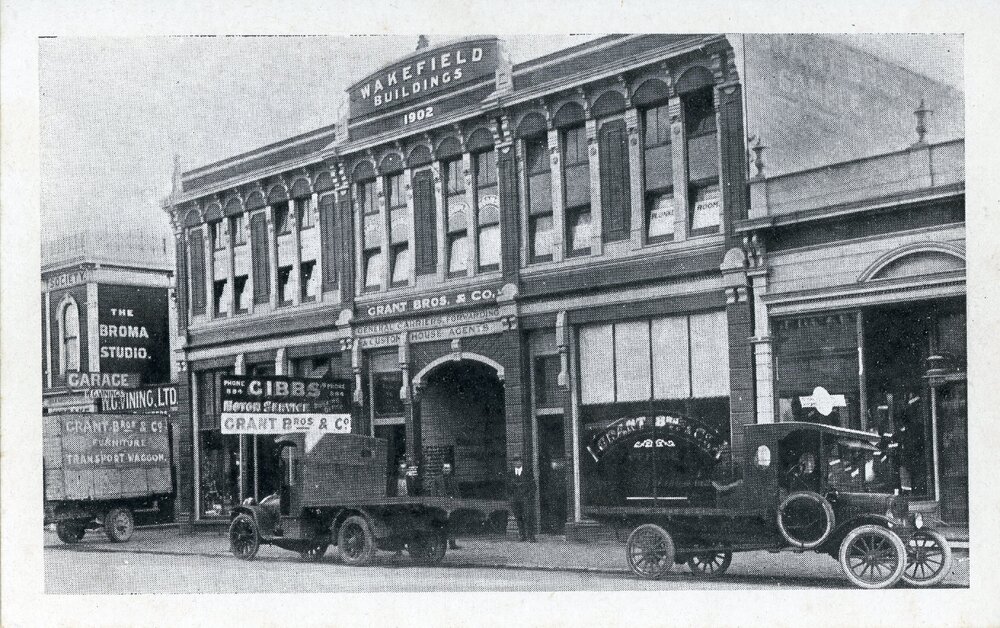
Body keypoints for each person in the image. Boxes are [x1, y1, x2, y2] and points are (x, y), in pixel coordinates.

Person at [505, 456, 537, 542]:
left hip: (526, 499)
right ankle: (522, 535)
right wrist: (511, 498)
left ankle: (531, 536)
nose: (517, 463)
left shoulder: (528, 473)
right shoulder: (510, 474)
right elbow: (507, 488)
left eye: (518, 461)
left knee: (528, 517)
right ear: (513, 463)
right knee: (518, 517)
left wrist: (528, 497)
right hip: (515, 500)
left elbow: (533, 487)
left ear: (521, 462)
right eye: (515, 461)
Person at [431, 462, 461, 549]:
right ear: (442, 469)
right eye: (445, 468)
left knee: (452, 522)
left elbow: (457, 491)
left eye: (448, 468)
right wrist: (435, 502)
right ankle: (439, 543)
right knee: (441, 522)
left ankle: (452, 543)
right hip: (441, 503)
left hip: (452, 503)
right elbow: (433, 492)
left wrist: (458, 501)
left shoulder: (453, 479)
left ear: (450, 470)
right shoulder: (437, 479)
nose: (446, 470)